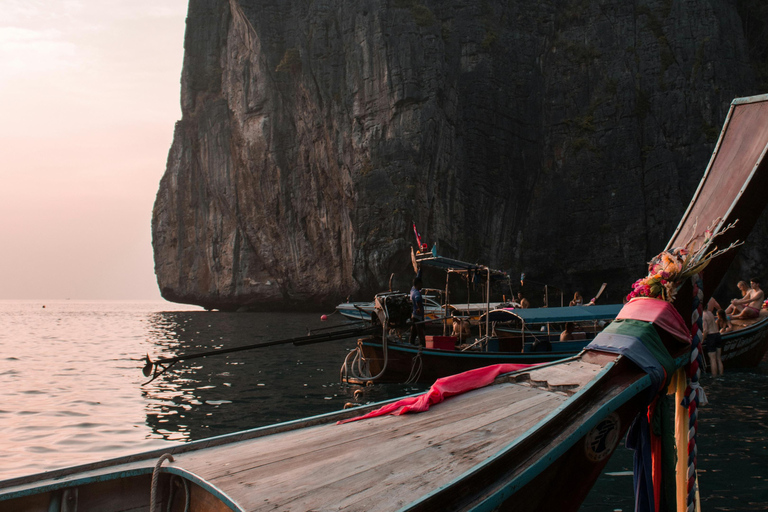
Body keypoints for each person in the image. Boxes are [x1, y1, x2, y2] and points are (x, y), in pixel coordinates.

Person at [702, 307, 723, 376]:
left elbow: (705, 330)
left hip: (711, 336)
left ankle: (714, 378)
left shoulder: (703, 315)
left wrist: (701, 340)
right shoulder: (710, 313)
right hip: (717, 334)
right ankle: (721, 375)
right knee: (718, 358)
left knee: (712, 359)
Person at [410, 274, 425, 345]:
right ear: (418, 284)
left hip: (414, 315)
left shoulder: (412, 289)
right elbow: (418, 299)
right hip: (418, 317)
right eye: (421, 284)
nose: (422, 286)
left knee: (413, 333)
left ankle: (411, 344)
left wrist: (420, 270)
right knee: (421, 334)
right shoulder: (417, 293)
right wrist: (419, 308)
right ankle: (423, 347)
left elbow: (418, 277)